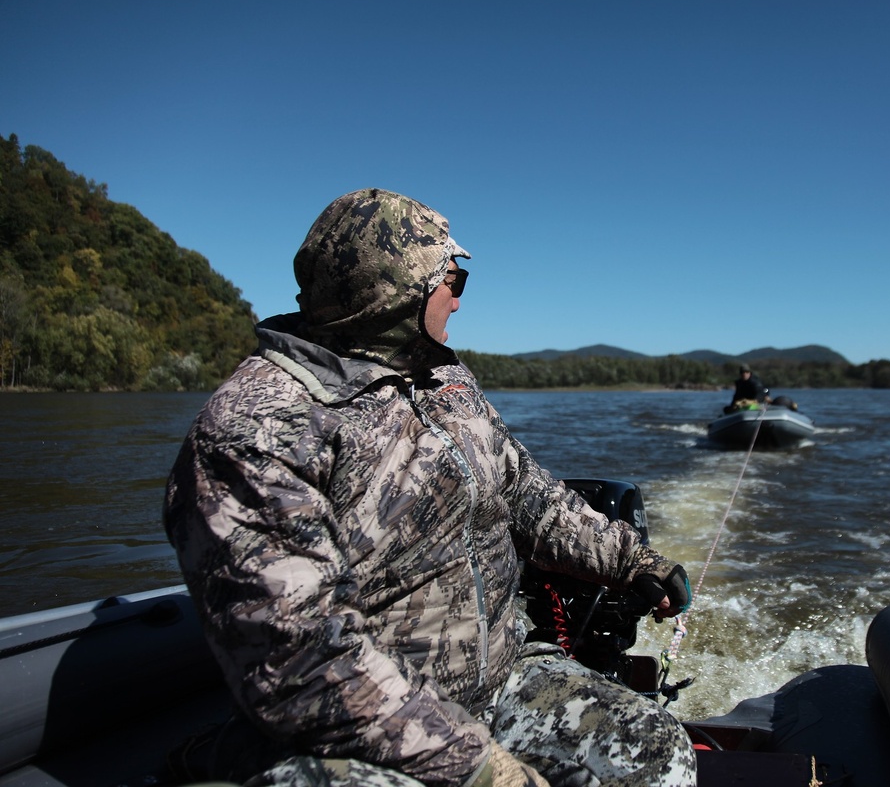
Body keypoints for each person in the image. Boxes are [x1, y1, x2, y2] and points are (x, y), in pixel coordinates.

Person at [163, 189, 697, 787]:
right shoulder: (258, 429)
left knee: (659, 754)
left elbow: (525, 492)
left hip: (501, 679)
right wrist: (482, 769)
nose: (459, 300)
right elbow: (299, 657)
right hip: (360, 726)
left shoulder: (444, 377)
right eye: (452, 280)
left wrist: (633, 562)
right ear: (396, 292)